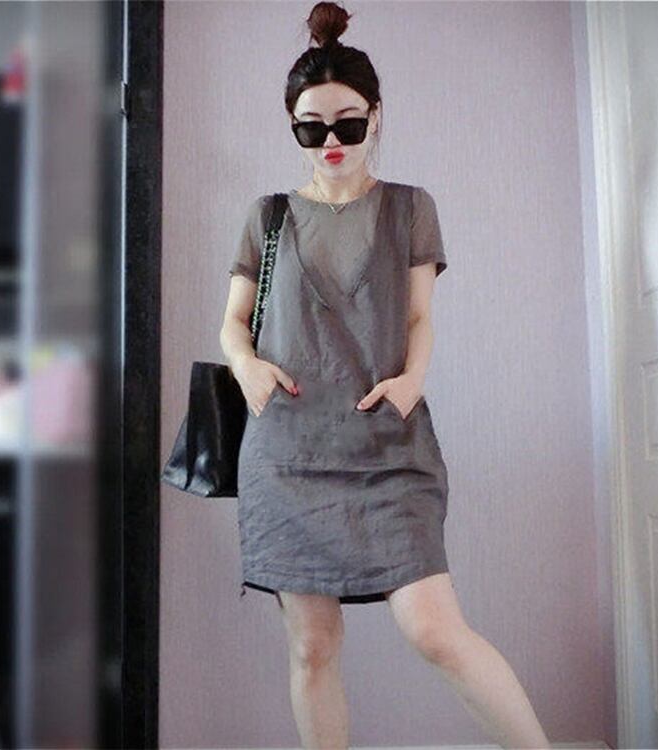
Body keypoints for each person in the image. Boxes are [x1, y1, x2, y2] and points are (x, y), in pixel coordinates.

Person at [219, 3, 551, 748]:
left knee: (435, 630)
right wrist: (245, 366)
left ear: (375, 116)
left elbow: (419, 318)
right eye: (311, 128)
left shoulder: (409, 209)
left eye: (347, 122)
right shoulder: (267, 216)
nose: (331, 142)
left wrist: (412, 382)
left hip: (388, 446)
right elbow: (232, 322)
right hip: (288, 454)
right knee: (312, 646)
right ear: (292, 127)